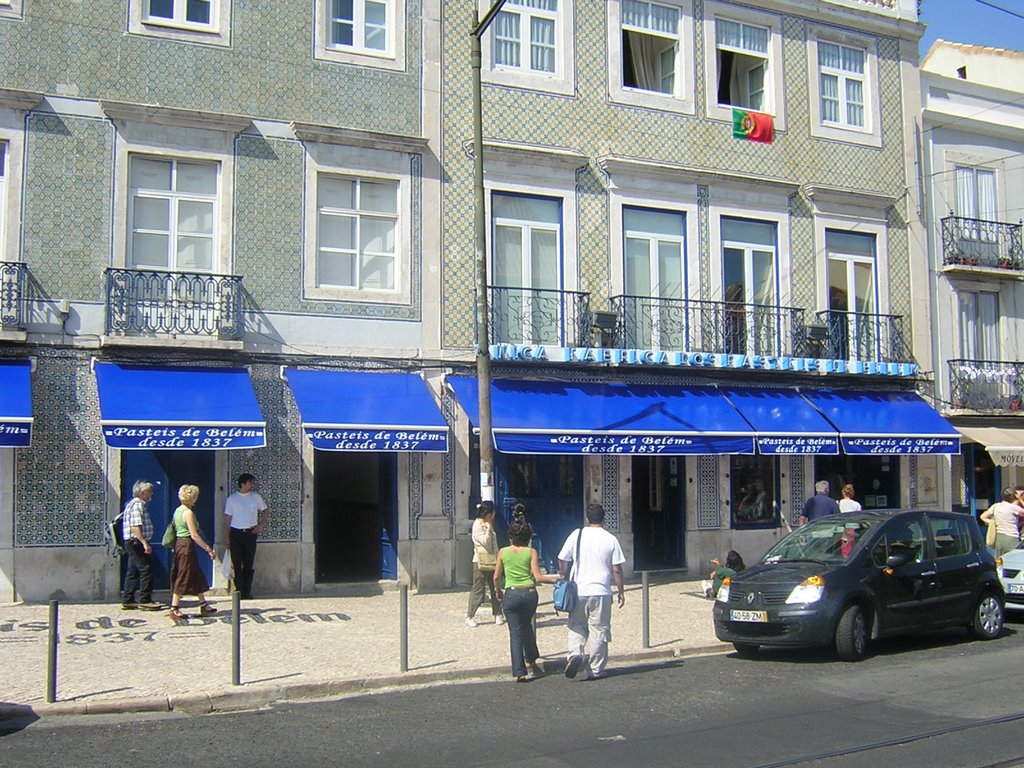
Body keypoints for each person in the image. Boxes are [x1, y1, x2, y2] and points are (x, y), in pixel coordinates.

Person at [557, 503, 626, 681]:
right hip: (602, 590)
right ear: (604, 519)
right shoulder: (610, 539)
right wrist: (620, 590)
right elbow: (616, 569)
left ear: (587, 518)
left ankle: (575, 654)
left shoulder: (577, 534)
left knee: (576, 624)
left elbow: (562, 558)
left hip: (579, 589)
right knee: (599, 630)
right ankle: (595, 669)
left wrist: (564, 576)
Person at [493, 518, 558, 681]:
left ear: (510, 537)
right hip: (529, 593)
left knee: (515, 633)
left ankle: (519, 671)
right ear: (528, 538)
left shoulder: (503, 552)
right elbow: (538, 577)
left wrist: (498, 591)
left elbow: (496, 576)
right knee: (526, 625)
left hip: (511, 593)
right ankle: (532, 656)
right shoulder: (532, 552)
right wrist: (558, 579)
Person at [168, 484, 216, 622]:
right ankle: (174, 607)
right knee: (183, 574)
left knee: (195, 573)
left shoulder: (177, 510)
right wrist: (208, 549)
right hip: (186, 545)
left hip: (180, 544)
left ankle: (203, 604)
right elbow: (194, 535)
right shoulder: (188, 513)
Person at [224, 473, 269, 600]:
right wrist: (227, 537)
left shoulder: (255, 497)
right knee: (237, 564)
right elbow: (227, 519)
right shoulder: (232, 499)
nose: (252, 485)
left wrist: (261, 525)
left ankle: (247, 592)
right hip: (236, 533)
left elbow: (265, 511)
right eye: (250, 483)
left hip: (250, 533)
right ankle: (238, 590)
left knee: (248, 564)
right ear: (242, 484)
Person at [120, 480, 162, 611]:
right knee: (146, 570)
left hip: (133, 542)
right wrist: (144, 543)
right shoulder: (137, 505)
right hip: (136, 542)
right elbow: (135, 526)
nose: (151, 494)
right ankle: (145, 599)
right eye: (149, 491)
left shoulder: (133, 504)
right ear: (142, 492)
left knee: (133, 571)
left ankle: (128, 599)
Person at [466, 500, 502, 627]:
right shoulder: (477, 525)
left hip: (493, 560)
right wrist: (487, 531)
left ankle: (498, 613)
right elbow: (485, 543)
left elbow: (494, 545)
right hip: (480, 562)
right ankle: (470, 615)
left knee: (495, 587)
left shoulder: (489, 523)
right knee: (478, 589)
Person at [980, 487, 1024, 555]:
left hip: (999, 538)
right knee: (1014, 559)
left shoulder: (995, 506)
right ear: (1014, 496)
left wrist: (993, 523)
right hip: (1011, 537)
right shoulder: (1013, 508)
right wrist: (1020, 499)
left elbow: (983, 516)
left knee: (1000, 561)